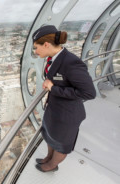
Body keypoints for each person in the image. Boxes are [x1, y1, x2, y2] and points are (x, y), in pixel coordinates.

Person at [32, 25, 96, 172]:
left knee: (61, 144)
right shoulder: (53, 58)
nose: (35, 52)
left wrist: (54, 88)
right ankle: (48, 157)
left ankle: (52, 165)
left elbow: (88, 93)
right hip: (54, 109)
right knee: (49, 136)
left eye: (36, 48)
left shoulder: (71, 63)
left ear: (46, 44)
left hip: (67, 114)